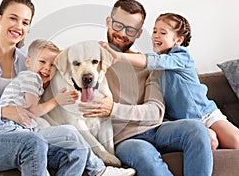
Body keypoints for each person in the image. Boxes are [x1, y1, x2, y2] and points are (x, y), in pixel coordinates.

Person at [0, 0, 135, 176]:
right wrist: (3, 112)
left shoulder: (30, 62)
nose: (18, 26)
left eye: (25, 22)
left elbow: (68, 75)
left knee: (76, 150)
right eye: (13, 18)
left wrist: (102, 94)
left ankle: (100, 171)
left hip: (21, 133)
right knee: (33, 143)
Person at [79, 0, 213, 176]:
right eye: (118, 25)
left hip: (156, 129)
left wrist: (114, 109)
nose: (122, 33)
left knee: (197, 130)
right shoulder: (86, 58)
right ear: (108, 22)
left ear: (139, 33)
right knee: (144, 154)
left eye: (131, 30)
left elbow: (155, 111)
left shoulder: (147, 64)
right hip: (124, 139)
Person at [100, 12, 239, 150]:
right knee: (211, 141)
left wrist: (119, 56)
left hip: (205, 114)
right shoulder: (155, 70)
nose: (156, 35)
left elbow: (154, 61)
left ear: (178, 40)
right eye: (154, 31)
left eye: (163, 32)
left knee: (236, 142)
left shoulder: (181, 57)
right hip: (184, 122)